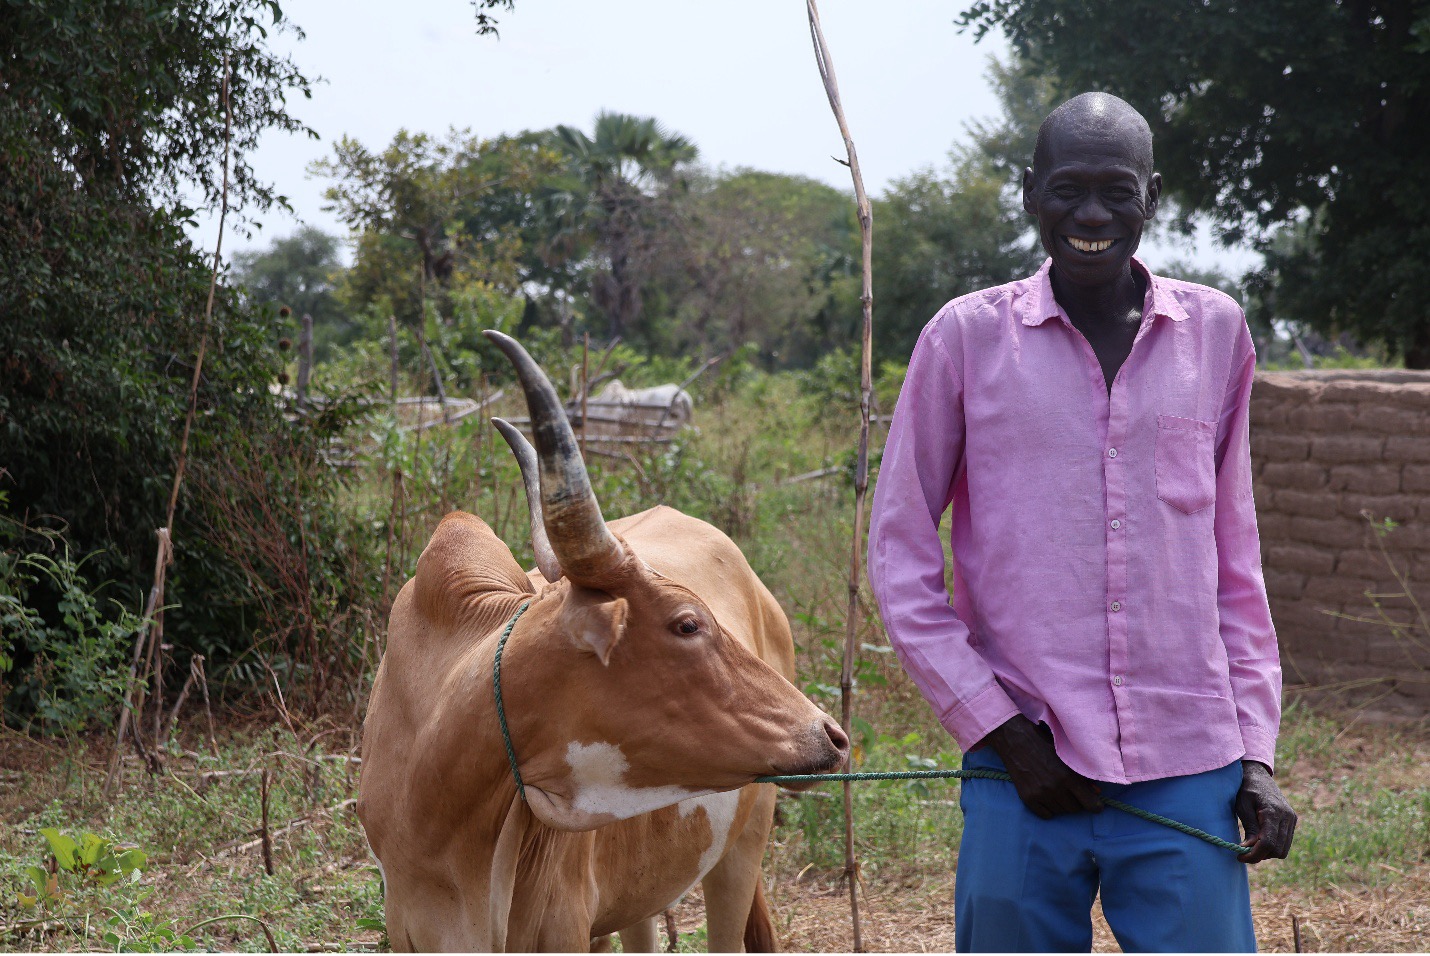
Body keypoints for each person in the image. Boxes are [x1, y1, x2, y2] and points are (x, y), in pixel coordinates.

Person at [866, 92, 1297, 953]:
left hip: (1189, 765)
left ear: (1153, 196)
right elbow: (900, 558)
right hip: (1023, 765)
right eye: (1068, 189)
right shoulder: (965, 339)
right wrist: (997, 730)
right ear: (1030, 193)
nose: (1092, 215)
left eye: (1117, 191)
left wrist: (1255, 754)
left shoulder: (1215, 333)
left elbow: (1234, 561)